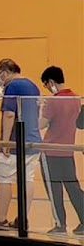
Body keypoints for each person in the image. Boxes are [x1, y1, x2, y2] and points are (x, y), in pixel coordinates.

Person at [0, 58, 41, 230]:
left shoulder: (12, 87)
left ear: (6, 72)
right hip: (32, 141)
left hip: (15, 141)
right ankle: (22, 218)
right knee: (28, 179)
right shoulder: (33, 86)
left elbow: (9, 115)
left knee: (4, 178)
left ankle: (0, 220)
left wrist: (5, 142)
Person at [38, 66, 83, 235]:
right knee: (73, 187)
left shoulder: (52, 101)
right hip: (67, 151)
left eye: (46, 85)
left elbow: (41, 124)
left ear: (51, 82)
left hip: (50, 152)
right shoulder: (76, 98)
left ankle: (60, 224)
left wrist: (38, 110)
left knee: (54, 190)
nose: (47, 88)